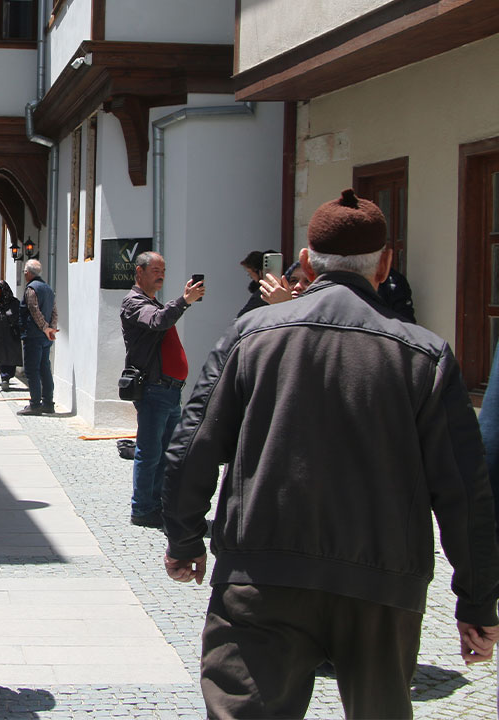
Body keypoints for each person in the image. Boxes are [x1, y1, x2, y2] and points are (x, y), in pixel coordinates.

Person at [162, 189, 499, 719]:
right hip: (381, 581)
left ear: (305, 262)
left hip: (261, 571)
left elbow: (192, 442)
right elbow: (463, 488)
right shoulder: (423, 355)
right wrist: (478, 600)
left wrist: (184, 537)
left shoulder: (252, 335)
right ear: (386, 264)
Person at [119, 251, 205, 528]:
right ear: (139, 272)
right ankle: (143, 508)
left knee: (167, 451)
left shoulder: (151, 302)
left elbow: (162, 317)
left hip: (169, 389)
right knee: (149, 451)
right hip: (155, 389)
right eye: (155, 269)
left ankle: (158, 503)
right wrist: (183, 302)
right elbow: (157, 321)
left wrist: (181, 303)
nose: (161, 274)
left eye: (163, 270)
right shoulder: (133, 302)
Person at [18, 259, 58, 415]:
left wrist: (45, 328)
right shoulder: (48, 289)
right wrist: (51, 329)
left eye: (24, 272)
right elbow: (54, 310)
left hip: (33, 335)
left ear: (28, 273)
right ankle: (48, 402)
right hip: (45, 337)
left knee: (32, 370)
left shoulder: (31, 289)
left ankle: (35, 404)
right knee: (45, 368)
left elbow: (34, 311)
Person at [235, 250, 269, 318]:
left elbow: (242, 316)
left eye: (250, 273)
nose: (250, 277)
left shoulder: (263, 293)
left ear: (260, 272)